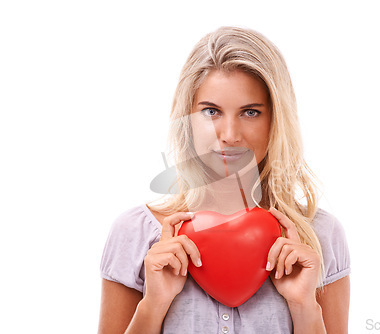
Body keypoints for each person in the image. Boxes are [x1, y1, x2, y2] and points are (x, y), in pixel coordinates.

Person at [98, 26, 350, 334]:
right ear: (187, 118)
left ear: (276, 119)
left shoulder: (319, 236)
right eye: (211, 111)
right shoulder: (135, 234)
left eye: (250, 113)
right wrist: (153, 305)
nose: (229, 135)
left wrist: (303, 307)